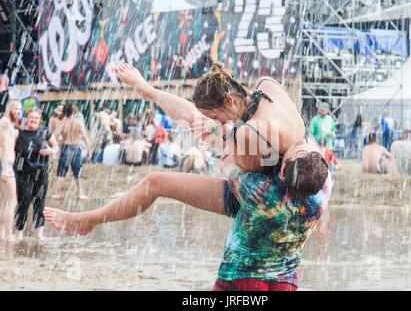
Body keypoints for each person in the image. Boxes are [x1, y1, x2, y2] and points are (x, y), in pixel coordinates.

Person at [44, 62, 330, 291]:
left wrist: (218, 135)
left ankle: (88, 220)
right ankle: (87, 221)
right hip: (283, 192)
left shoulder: (253, 120)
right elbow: (201, 122)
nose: (216, 123)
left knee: (166, 172)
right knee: (157, 180)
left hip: (255, 195)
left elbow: (226, 159)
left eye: (216, 117)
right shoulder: (265, 106)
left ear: (230, 100)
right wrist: (149, 90)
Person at [14, 109, 59, 241]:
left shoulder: (45, 132)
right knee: (24, 202)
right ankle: (19, 232)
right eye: (31, 117)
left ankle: (39, 234)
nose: (33, 120)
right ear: (26, 119)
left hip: (42, 172)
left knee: (40, 203)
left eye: (36, 118)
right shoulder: (19, 133)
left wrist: (50, 151)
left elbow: (56, 147)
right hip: (24, 173)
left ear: (40, 120)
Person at [52, 103, 91, 200]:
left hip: (65, 148)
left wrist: (58, 143)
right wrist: (89, 149)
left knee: (61, 172)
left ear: (64, 111)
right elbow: (85, 137)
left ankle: (58, 193)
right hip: (76, 148)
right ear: (73, 111)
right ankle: (80, 193)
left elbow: (55, 135)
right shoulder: (78, 122)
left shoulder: (62, 122)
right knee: (78, 173)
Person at [0, 99, 22, 242]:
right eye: (16, 109)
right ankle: (8, 234)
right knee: (11, 200)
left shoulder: (7, 123)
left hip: (3, 163)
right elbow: (7, 147)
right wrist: (5, 168)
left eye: (20, 110)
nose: (19, 112)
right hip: (4, 164)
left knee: (2, 200)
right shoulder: (6, 123)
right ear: (9, 108)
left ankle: (2, 233)